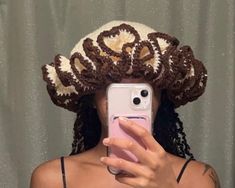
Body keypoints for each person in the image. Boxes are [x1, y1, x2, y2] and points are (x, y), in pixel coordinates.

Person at [30, 21, 220, 188]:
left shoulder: (197, 178)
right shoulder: (52, 178)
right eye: (113, 86)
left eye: (142, 88)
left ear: (161, 94)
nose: (128, 97)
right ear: (92, 97)